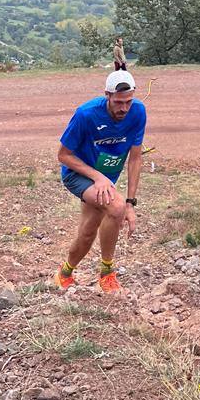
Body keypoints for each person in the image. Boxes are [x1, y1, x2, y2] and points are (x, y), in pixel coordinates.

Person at [54, 69, 145, 293]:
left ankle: (64, 273)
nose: (124, 108)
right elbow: (63, 155)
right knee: (115, 207)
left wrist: (131, 203)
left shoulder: (138, 112)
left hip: (105, 179)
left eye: (128, 102)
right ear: (107, 95)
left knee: (88, 231)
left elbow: (135, 159)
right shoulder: (86, 114)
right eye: (118, 102)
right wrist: (98, 177)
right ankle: (107, 273)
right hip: (78, 175)